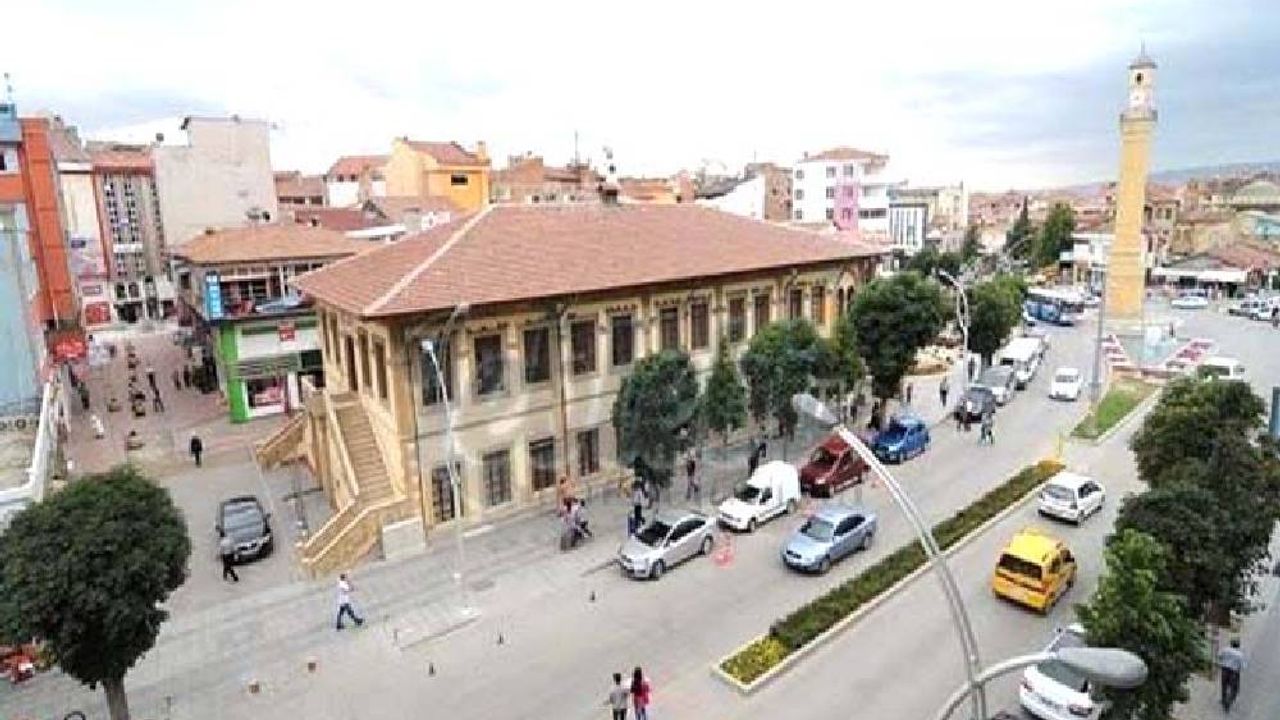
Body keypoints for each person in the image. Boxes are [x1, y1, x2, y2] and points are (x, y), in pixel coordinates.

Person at [1218, 637, 1245, 711]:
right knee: (1234, 688)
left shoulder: (1225, 650)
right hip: (1234, 673)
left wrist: (1223, 662)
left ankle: (1223, 699)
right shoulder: (1240, 655)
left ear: (1231, 643)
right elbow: (1243, 666)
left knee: (1224, 685)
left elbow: (1219, 656)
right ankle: (1229, 701)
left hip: (1224, 670)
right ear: (1238, 645)